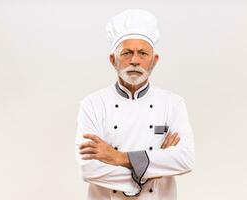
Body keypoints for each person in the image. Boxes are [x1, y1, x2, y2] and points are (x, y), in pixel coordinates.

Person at [75, 9, 195, 200]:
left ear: (154, 61)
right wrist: (157, 163)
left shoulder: (173, 104)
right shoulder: (92, 105)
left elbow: (186, 160)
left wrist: (118, 158)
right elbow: (89, 170)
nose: (134, 61)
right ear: (113, 60)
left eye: (143, 53)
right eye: (127, 53)